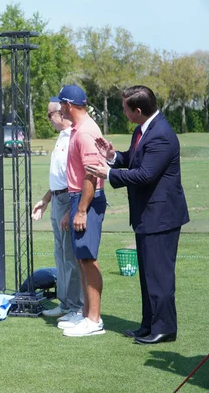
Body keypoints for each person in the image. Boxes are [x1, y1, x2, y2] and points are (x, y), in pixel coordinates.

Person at [85, 85, 189, 345]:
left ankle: (164, 328)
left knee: (160, 277)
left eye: (124, 108)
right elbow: (133, 160)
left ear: (138, 110)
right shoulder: (142, 130)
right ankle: (149, 325)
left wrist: (106, 174)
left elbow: (145, 175)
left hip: (161, 217)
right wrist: (112, 156)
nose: (123, 111)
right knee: (148, 277)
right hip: (147, 216)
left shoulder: (161, 135)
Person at [53, 85, 107, 337]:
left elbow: (91, 175)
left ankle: (94, 321)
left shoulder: (84, 132)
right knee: (81, 258)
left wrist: (82, 210)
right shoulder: (78, 129)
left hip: (88, 198)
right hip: (79, 197)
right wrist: (73, 208)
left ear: (69, 105)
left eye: (61, 104)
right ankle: (86, 314)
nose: (59, 108)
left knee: (87, 259)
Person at [32, 99, 84, 322]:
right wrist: (45, 199)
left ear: (60, 113)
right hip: (57, 199)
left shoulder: (75, 136)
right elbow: (59, 178)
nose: (48, 119)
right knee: (60, 255)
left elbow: (78, 179)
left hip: (68, 201)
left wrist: (70, 210)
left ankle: (77, 307)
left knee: (70, 257)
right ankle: (65, 303)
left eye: (49, 115)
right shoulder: (62, 138)